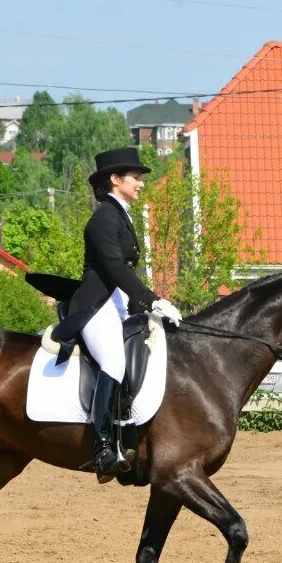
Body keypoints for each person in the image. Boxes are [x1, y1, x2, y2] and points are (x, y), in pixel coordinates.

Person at [55, 147, 182, 481]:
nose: (141, 184)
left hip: (116, 306)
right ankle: (102, 446)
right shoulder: (103, 219)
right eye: (136, 178)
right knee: (113, 361)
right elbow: (114, 268)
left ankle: (128, 429)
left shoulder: (121, 216)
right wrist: (153, 300)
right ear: (115, 179)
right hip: (94, 308)